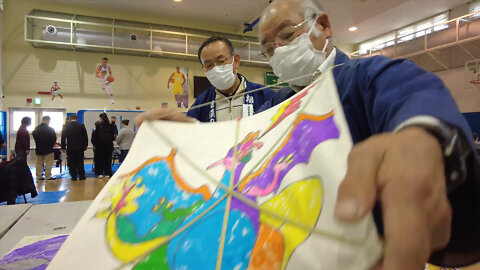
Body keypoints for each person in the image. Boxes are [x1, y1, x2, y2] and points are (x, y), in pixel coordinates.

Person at [257, 0, 480, 268]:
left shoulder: (367, 76)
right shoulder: (275, 106)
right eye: (268, 49)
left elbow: (414, 95)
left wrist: (423, 138)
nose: (279, 51)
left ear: (323, 26)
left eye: (287, 34)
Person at [137, 37, 275, 123]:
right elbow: (192, 135)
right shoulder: (201, 104)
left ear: (236, 61)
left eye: (221, 61)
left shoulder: (264, 95)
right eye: (209, 65)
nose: (216, 68)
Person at [61, 114, 88, 181]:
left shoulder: (66, 126)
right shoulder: (81, 126)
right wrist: (85, 146)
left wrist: (63, 147)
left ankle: (73, 177)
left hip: (70, 147)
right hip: (80, 147)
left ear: (70, 119)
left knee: (71, 162)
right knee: (80, 162)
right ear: (77, 118)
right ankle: (81, 176)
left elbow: (63, 138)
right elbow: (85, 137)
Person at [32, 116, 57, 180]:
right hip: (48, 148)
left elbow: (34, 136)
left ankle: (39, 176)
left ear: (42, 120)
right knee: (49, 162)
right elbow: (54, 138)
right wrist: (52, 144)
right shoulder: (50, 129)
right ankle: (48, 176)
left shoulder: (36, 128)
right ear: (48, 120)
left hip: (39, 148)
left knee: (39, 162)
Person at [91, 112, 115, 178]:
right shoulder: (111, 126)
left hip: (100, 146)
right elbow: (113, 137)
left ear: (101, 118)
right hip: (109, 146)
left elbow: (95, 137)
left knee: (100, 160)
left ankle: (100, 173)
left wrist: (95, 145)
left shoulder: (99, 125)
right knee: (108, 160)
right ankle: (107, 173)